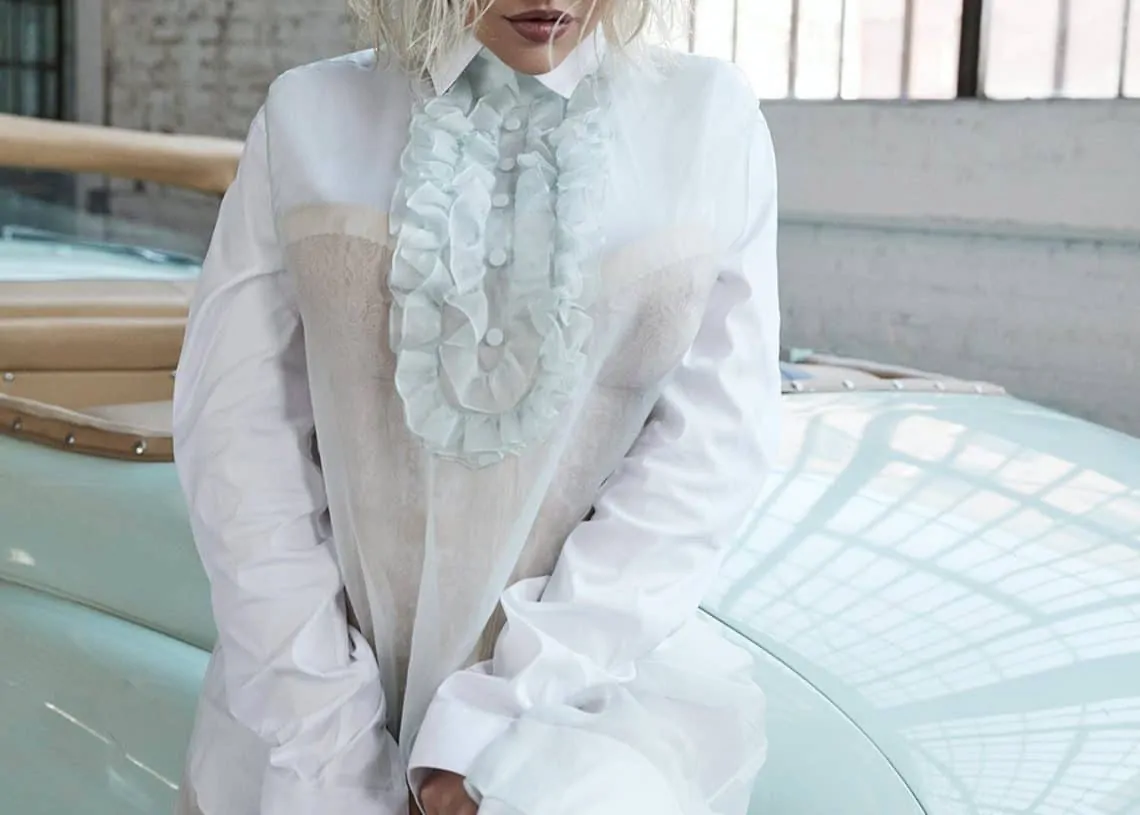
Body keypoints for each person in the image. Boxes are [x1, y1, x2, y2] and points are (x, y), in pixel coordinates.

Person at [171, 0, 781, 812]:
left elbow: (708, 452)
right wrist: (330, 742)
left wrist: (497, 728)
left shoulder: (710, 120)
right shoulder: (305, 116)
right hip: (308, 707)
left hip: (584, 716)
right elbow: (237, 440)